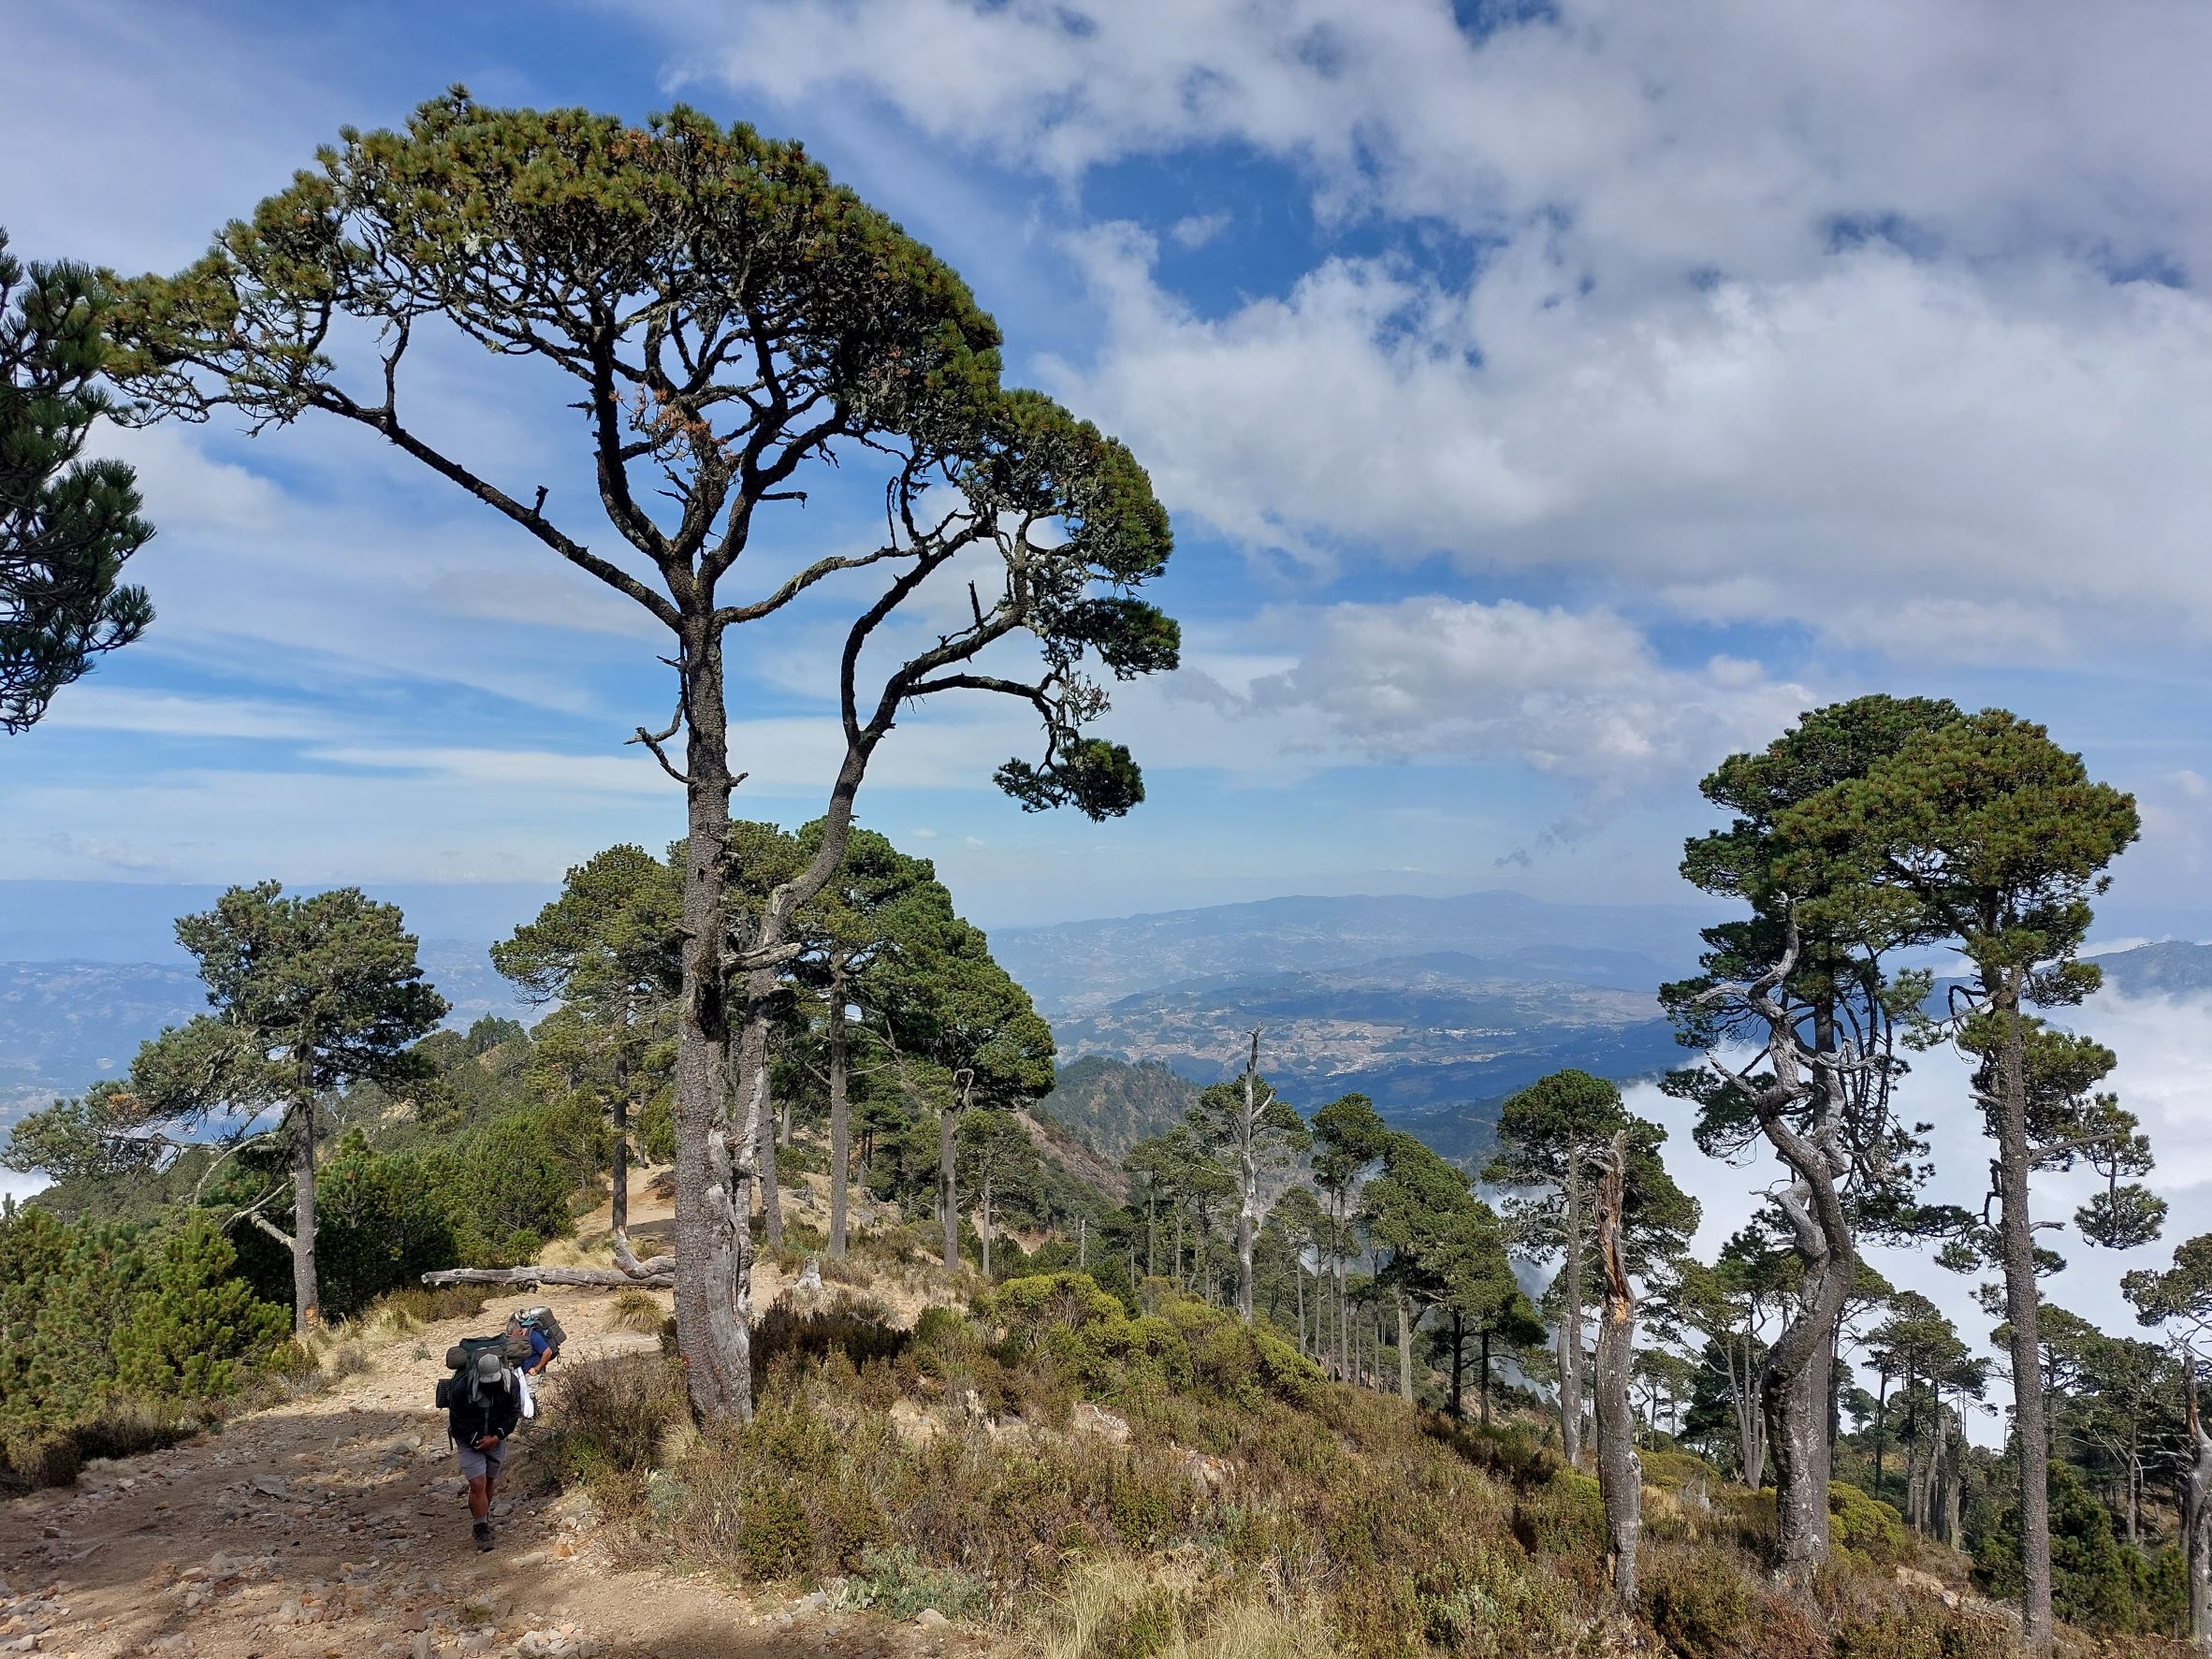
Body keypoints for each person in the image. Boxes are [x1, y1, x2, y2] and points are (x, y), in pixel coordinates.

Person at [449, 1347, 522, 1552]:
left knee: (489, 1480)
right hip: (469, 1440)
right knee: (477, 1482)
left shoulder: (511, 1384)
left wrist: (497, 1436)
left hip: (496, 1438)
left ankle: (481, 1517)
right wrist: (475, 1439)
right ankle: (481, 1527)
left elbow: (513, 1413)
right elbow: (456, 1420)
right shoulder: (462, 1388)